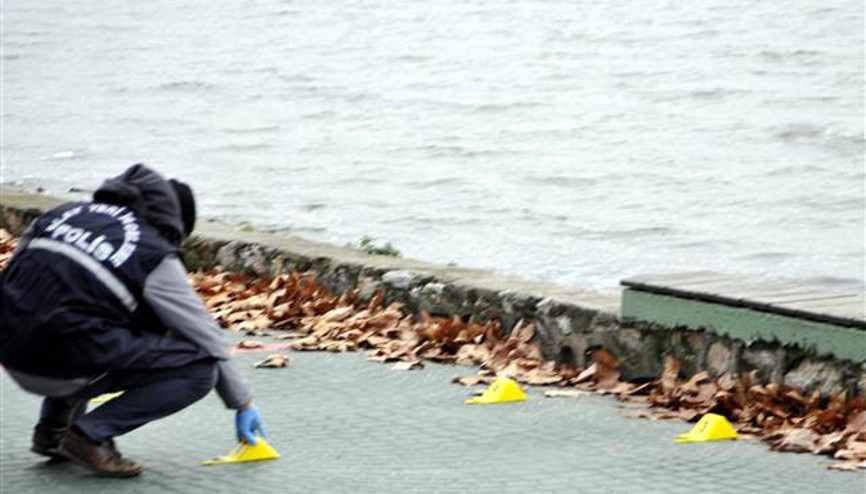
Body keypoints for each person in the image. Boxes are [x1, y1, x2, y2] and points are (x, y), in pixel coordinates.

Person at [0, 164, 267, 477]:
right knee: (198, 369)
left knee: (71, 310)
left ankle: (52, 432)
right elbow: (204, 335)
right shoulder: (151, 251)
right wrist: (243, 403)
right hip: (60, 366)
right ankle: (89, 435)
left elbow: (23, 280)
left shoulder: (62, 215)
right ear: (170, 222)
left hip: (11, 350)